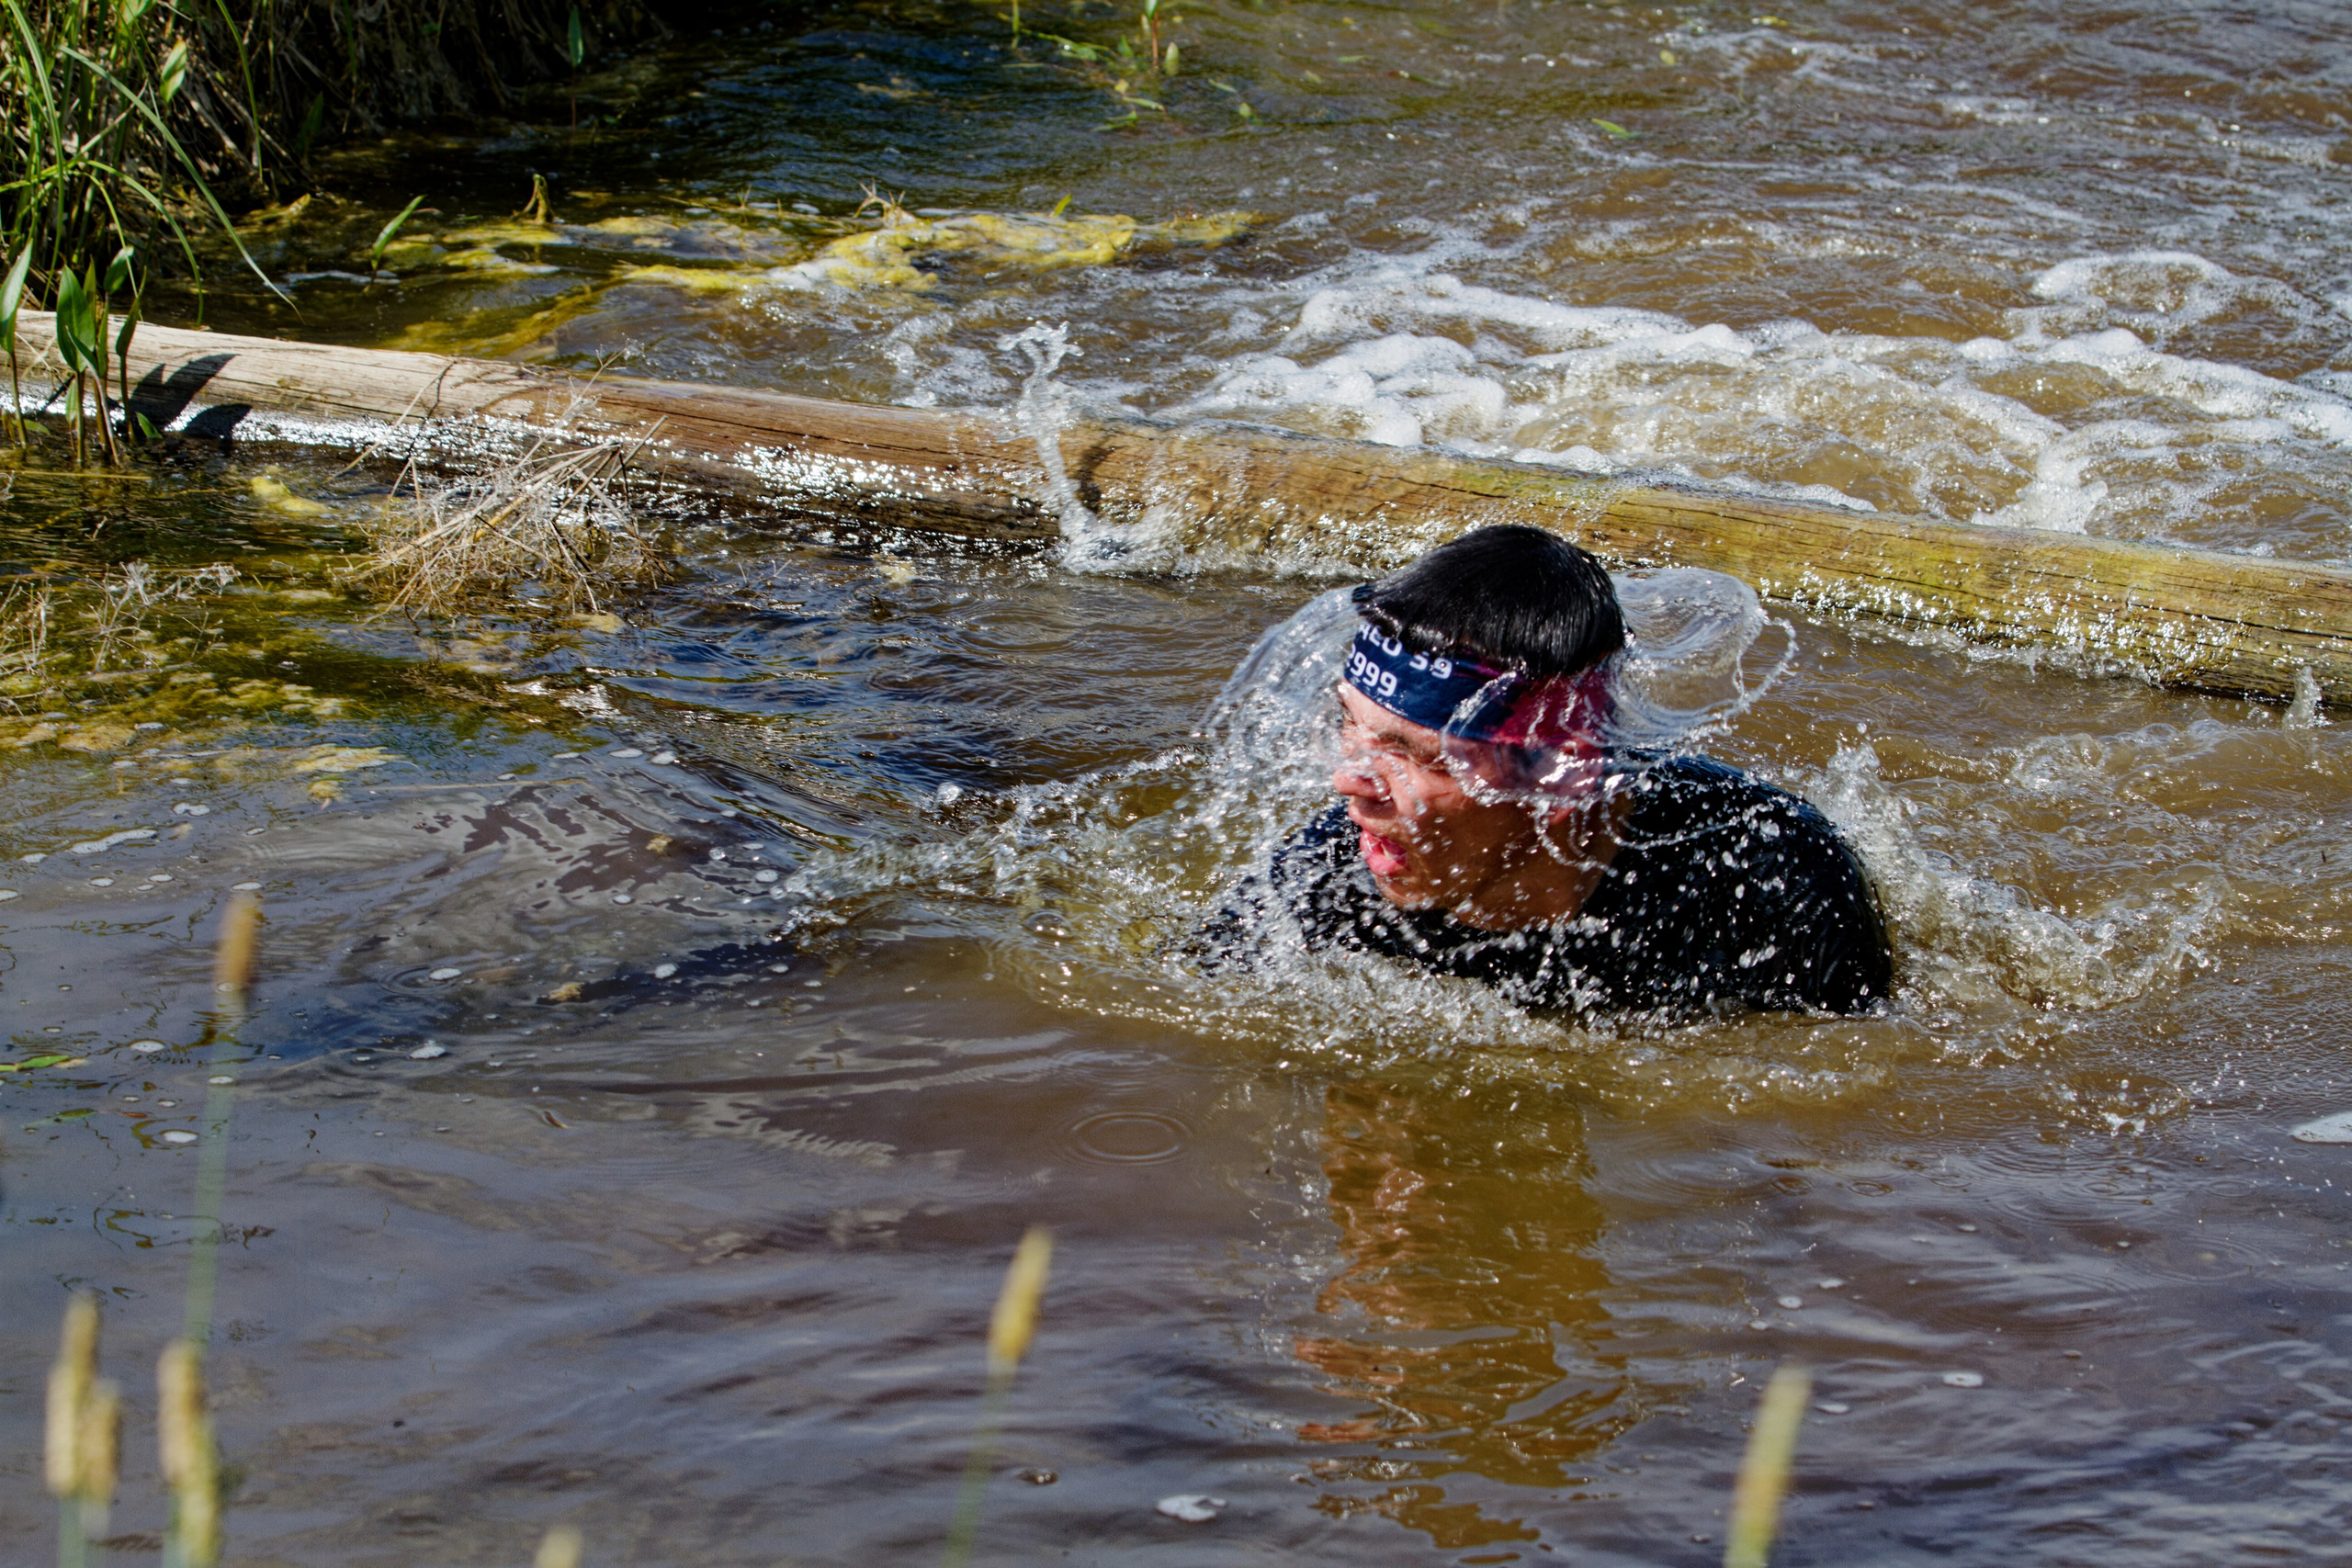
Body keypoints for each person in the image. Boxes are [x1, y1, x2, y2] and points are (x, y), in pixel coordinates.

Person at [1216, 525, 1892, 1016]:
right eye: (1349, 724)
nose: (1348, 782)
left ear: (1559, 773)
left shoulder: (1771, 882)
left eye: (1409, 753)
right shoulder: (1321, 880)